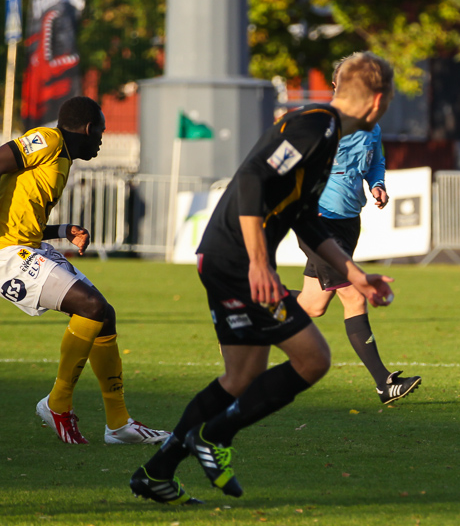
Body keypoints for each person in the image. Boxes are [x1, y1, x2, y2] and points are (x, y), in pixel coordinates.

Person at [130, 51, 397, 505]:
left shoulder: (329, 133)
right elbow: (253, 177)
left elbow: (304, 218)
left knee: (240, 377)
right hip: (234, 260)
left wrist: (356, 274)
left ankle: (156, 473)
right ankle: (214, 436)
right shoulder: (316, 125)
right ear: (377, 100)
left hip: (227, 257)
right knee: (313, 359)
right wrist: (258, 262)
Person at [0, 96, 169, 445]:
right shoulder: (48, 140)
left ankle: (119, 425)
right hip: (6, 255)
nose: (102, 141)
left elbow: (21, 221)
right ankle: (57, 402)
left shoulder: (60, 160)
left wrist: (63, 231)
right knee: (90, 306)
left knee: (103, 314)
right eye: (102, 132)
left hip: (24, 247)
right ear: (89, 129)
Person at [295, 58, 420, 405]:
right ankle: (384, 383)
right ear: (336, 89)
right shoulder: (324, 125)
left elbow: (375, 160)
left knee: (314, 304)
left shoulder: (372, 127)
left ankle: (251, 308)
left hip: (349, 220)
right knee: (353, 294)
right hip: (319, 220)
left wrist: (377, 183)